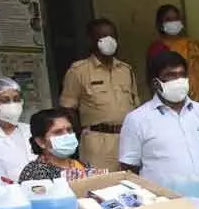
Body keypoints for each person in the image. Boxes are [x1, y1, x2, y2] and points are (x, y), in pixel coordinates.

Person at [118, 51, 199, 185]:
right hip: (167, 201)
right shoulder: (137, 119)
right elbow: (129, 168)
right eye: (171, 75)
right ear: (155, 83)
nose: (178, 81)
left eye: (182, 75)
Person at [59, 18, 139, 171]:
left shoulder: (126, 70)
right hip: (97, 141)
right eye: (103, 37)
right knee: (101, 185)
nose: (109, 41)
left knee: (133, 184)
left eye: (112, 36)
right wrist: (79, 134)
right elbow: (67, 109)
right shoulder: (78, 71)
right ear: (91, 40)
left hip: (127, 139)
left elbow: (136, 105)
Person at [146, 4, 199, 120]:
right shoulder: (157, 49)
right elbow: (152, 80)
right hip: (171, 101)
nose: (173, 22)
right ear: (160, 23)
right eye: (168, 20)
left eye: (176, 19)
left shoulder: (196, 47)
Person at [19, 108, 107, 182]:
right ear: (41, 142)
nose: (66, 135)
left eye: (69, 130)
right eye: (58, 132)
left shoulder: (83, 166)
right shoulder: (34, 173)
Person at [0, 76, 32, 186]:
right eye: (5, 100)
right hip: (0, 196)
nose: (12, 104)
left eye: (16, 99)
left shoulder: (31, 130)